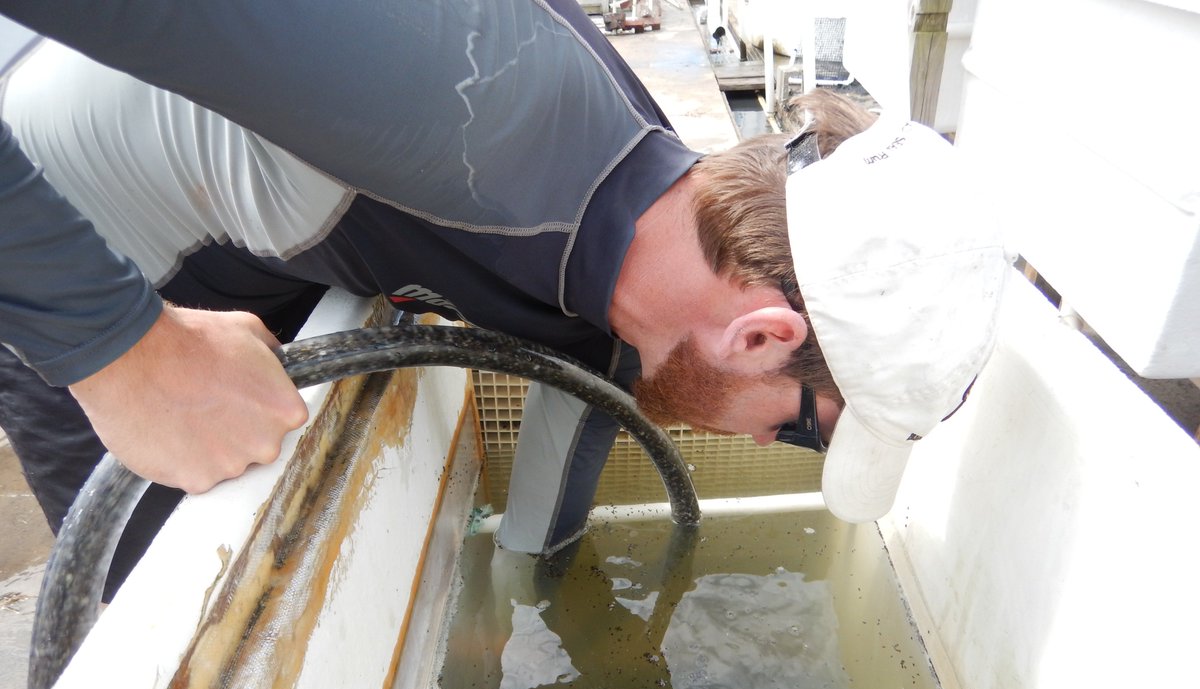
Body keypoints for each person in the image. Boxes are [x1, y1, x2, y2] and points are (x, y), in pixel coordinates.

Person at [0, 0, 1009, 574]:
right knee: (156, 688)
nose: (763, 449)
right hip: (59, 258)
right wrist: (119, 342)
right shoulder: (451, 92)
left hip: (236, 261)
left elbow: (569, 453)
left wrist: (524, 599)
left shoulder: (631, 264)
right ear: (760, 336)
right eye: (801, 431)